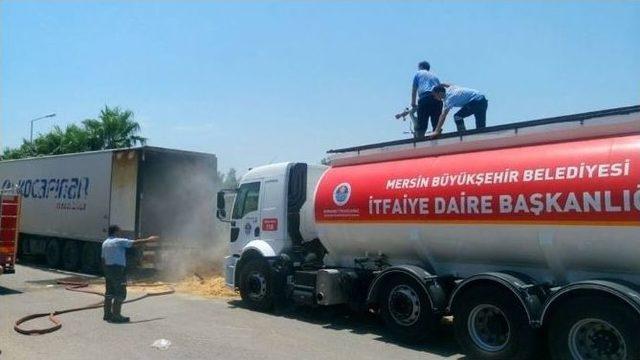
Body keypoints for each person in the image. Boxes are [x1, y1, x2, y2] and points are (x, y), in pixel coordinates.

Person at [101, 225, 158, 323]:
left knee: (109, 293)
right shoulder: (118, 241)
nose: (121, 233)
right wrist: (149, 240)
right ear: (115, 232)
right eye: (119, 231)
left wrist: (105, 271)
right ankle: (116, 316)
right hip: (118, 270)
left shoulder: (105, 243)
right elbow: (134, 243)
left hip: (108, 269)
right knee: (120, 292)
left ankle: (107, 314)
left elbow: (102, 258)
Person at [411, 61, 443, 138]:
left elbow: (414, 89)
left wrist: (413, 103)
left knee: (422, 123)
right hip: (437, 99)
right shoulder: (435, 77)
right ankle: (437, 140)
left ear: (421, 67)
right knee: (436, 123)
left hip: (425, 97)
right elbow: (441, 90)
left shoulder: (418, 73)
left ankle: (420, 141)